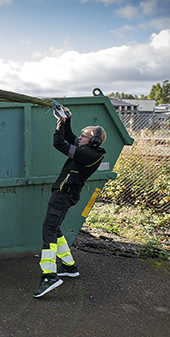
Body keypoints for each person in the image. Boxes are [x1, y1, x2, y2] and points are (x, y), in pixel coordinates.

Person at [33, 106, 107, 298]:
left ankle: (49, 276)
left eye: (84, 135)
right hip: (64, 193)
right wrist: (65, 119)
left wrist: (60, 125)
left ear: (94, 141)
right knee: (55, 229)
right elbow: (69, 135)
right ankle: (69, 266)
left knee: (48, 230)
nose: (80, 137)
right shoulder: (87, 148)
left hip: (64, 195)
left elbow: (59, 142)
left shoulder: (89, 155)